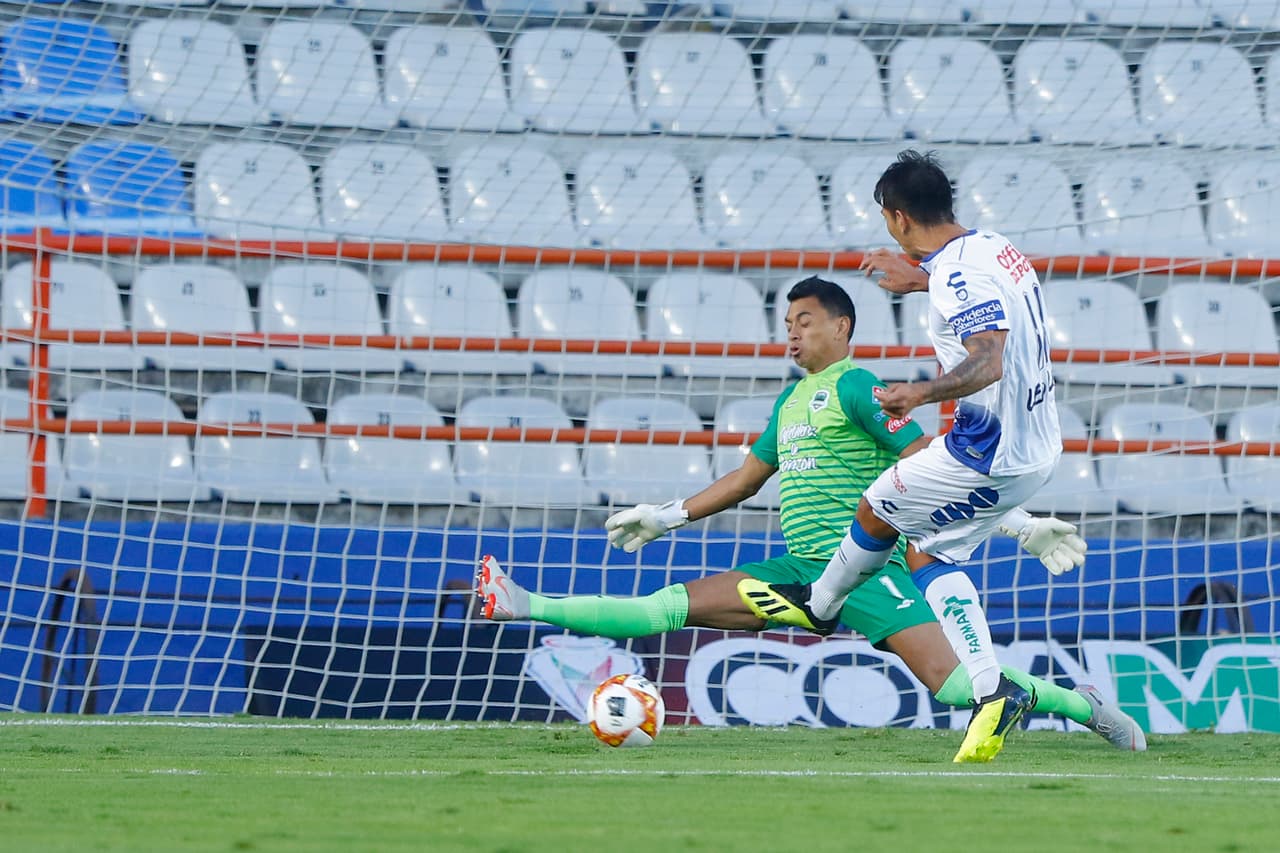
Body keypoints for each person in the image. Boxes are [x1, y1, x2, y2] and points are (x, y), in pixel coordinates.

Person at [476, 276, 1144, 760]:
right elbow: (745, 479)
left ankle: (1082, 704)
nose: (791, 330)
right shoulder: (792, 403)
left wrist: (1020, 524)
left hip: (866, 575)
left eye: (803, 319)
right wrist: (665, 516)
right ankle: (520, 601)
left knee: (959, 687)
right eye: (787, 320)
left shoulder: (858, 387)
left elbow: (933, 467)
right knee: (663, 607)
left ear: (840, 327)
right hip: (798, 572)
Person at [738, 150, 1083, 762]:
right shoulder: (993, 249)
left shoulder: (959, 275)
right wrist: (919, 277)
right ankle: (991, 688)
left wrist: (919, 390)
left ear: (897, 218)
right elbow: (976, 291)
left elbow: (988, 360)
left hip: (985, 448)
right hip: (1038, 445)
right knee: (931, 549)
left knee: (875, 509)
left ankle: (820, 605)